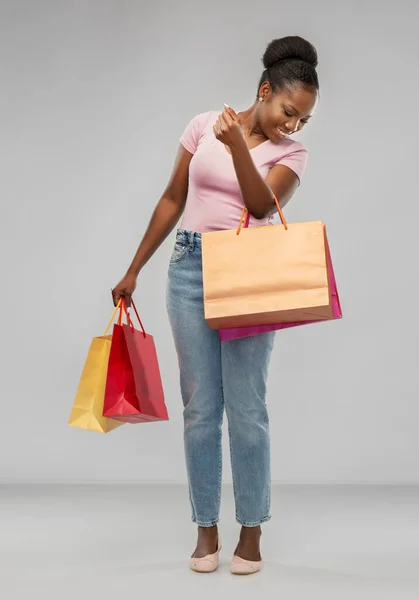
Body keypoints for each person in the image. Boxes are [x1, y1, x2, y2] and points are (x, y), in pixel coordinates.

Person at [111, 35, 319, 575]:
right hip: (187, 268)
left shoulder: (291, 154)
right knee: (201, 408)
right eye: (287, 111)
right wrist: (134, 268)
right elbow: (172, 197)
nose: (292, 126)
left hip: (249, 274)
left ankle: (251, 532)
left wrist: (236, 148)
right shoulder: (205, 124)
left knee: (247, 407)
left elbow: (258, 202)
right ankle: (206, 528)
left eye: (302, 120)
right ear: (265, 90)